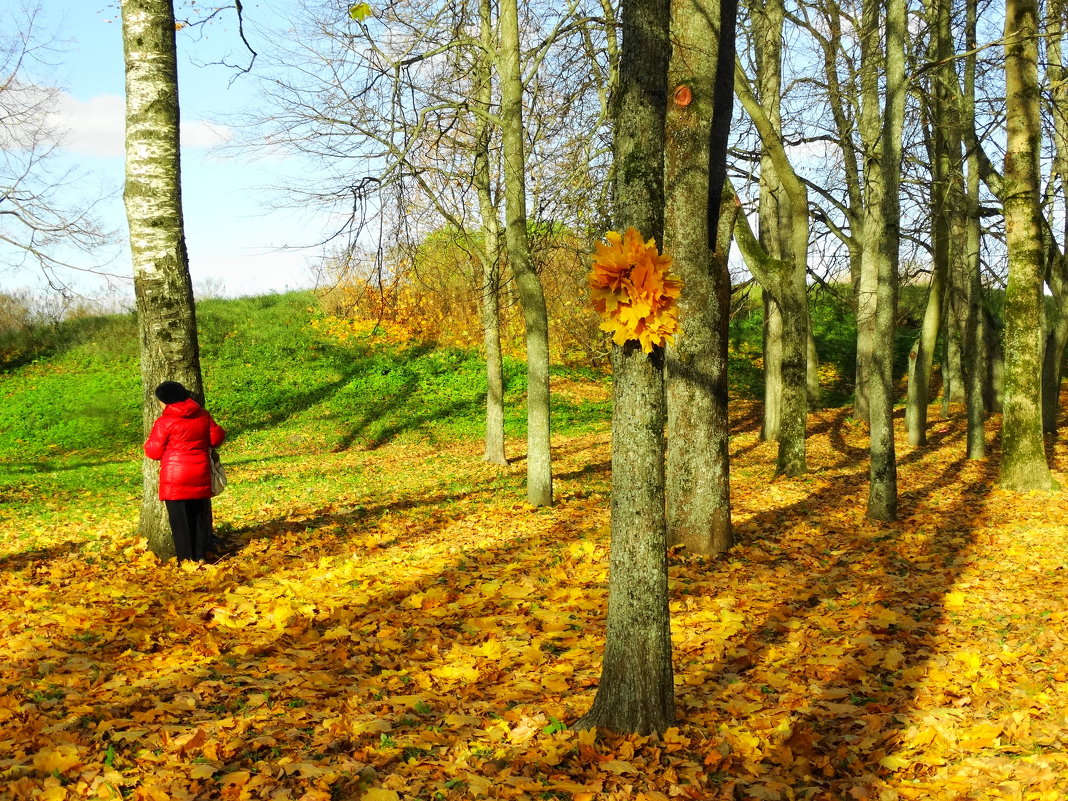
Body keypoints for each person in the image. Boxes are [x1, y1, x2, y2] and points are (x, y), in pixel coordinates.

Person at [144, 380, 226, 562]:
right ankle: (200, 556)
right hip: (199, 473)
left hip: (175, 478)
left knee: (180, 522)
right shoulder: (203, 415)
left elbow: (153, 452)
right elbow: (217, 437)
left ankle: (186, 560)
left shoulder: (164, 422)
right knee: (198, 517)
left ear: (164, 402)